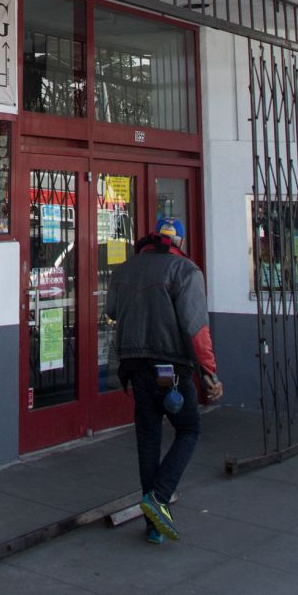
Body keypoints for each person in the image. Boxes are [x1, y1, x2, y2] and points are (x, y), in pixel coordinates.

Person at [106, 215, 223, 544]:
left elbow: (112, 311)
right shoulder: (186, 271)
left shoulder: (125, 269)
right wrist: (209, 373)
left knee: (148, 438)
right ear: (179, 242)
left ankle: (154, 525)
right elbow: (196, 329)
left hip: (135, 367)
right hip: (169, 369)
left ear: (154, 237)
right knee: (189, 429)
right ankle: (159, 497)